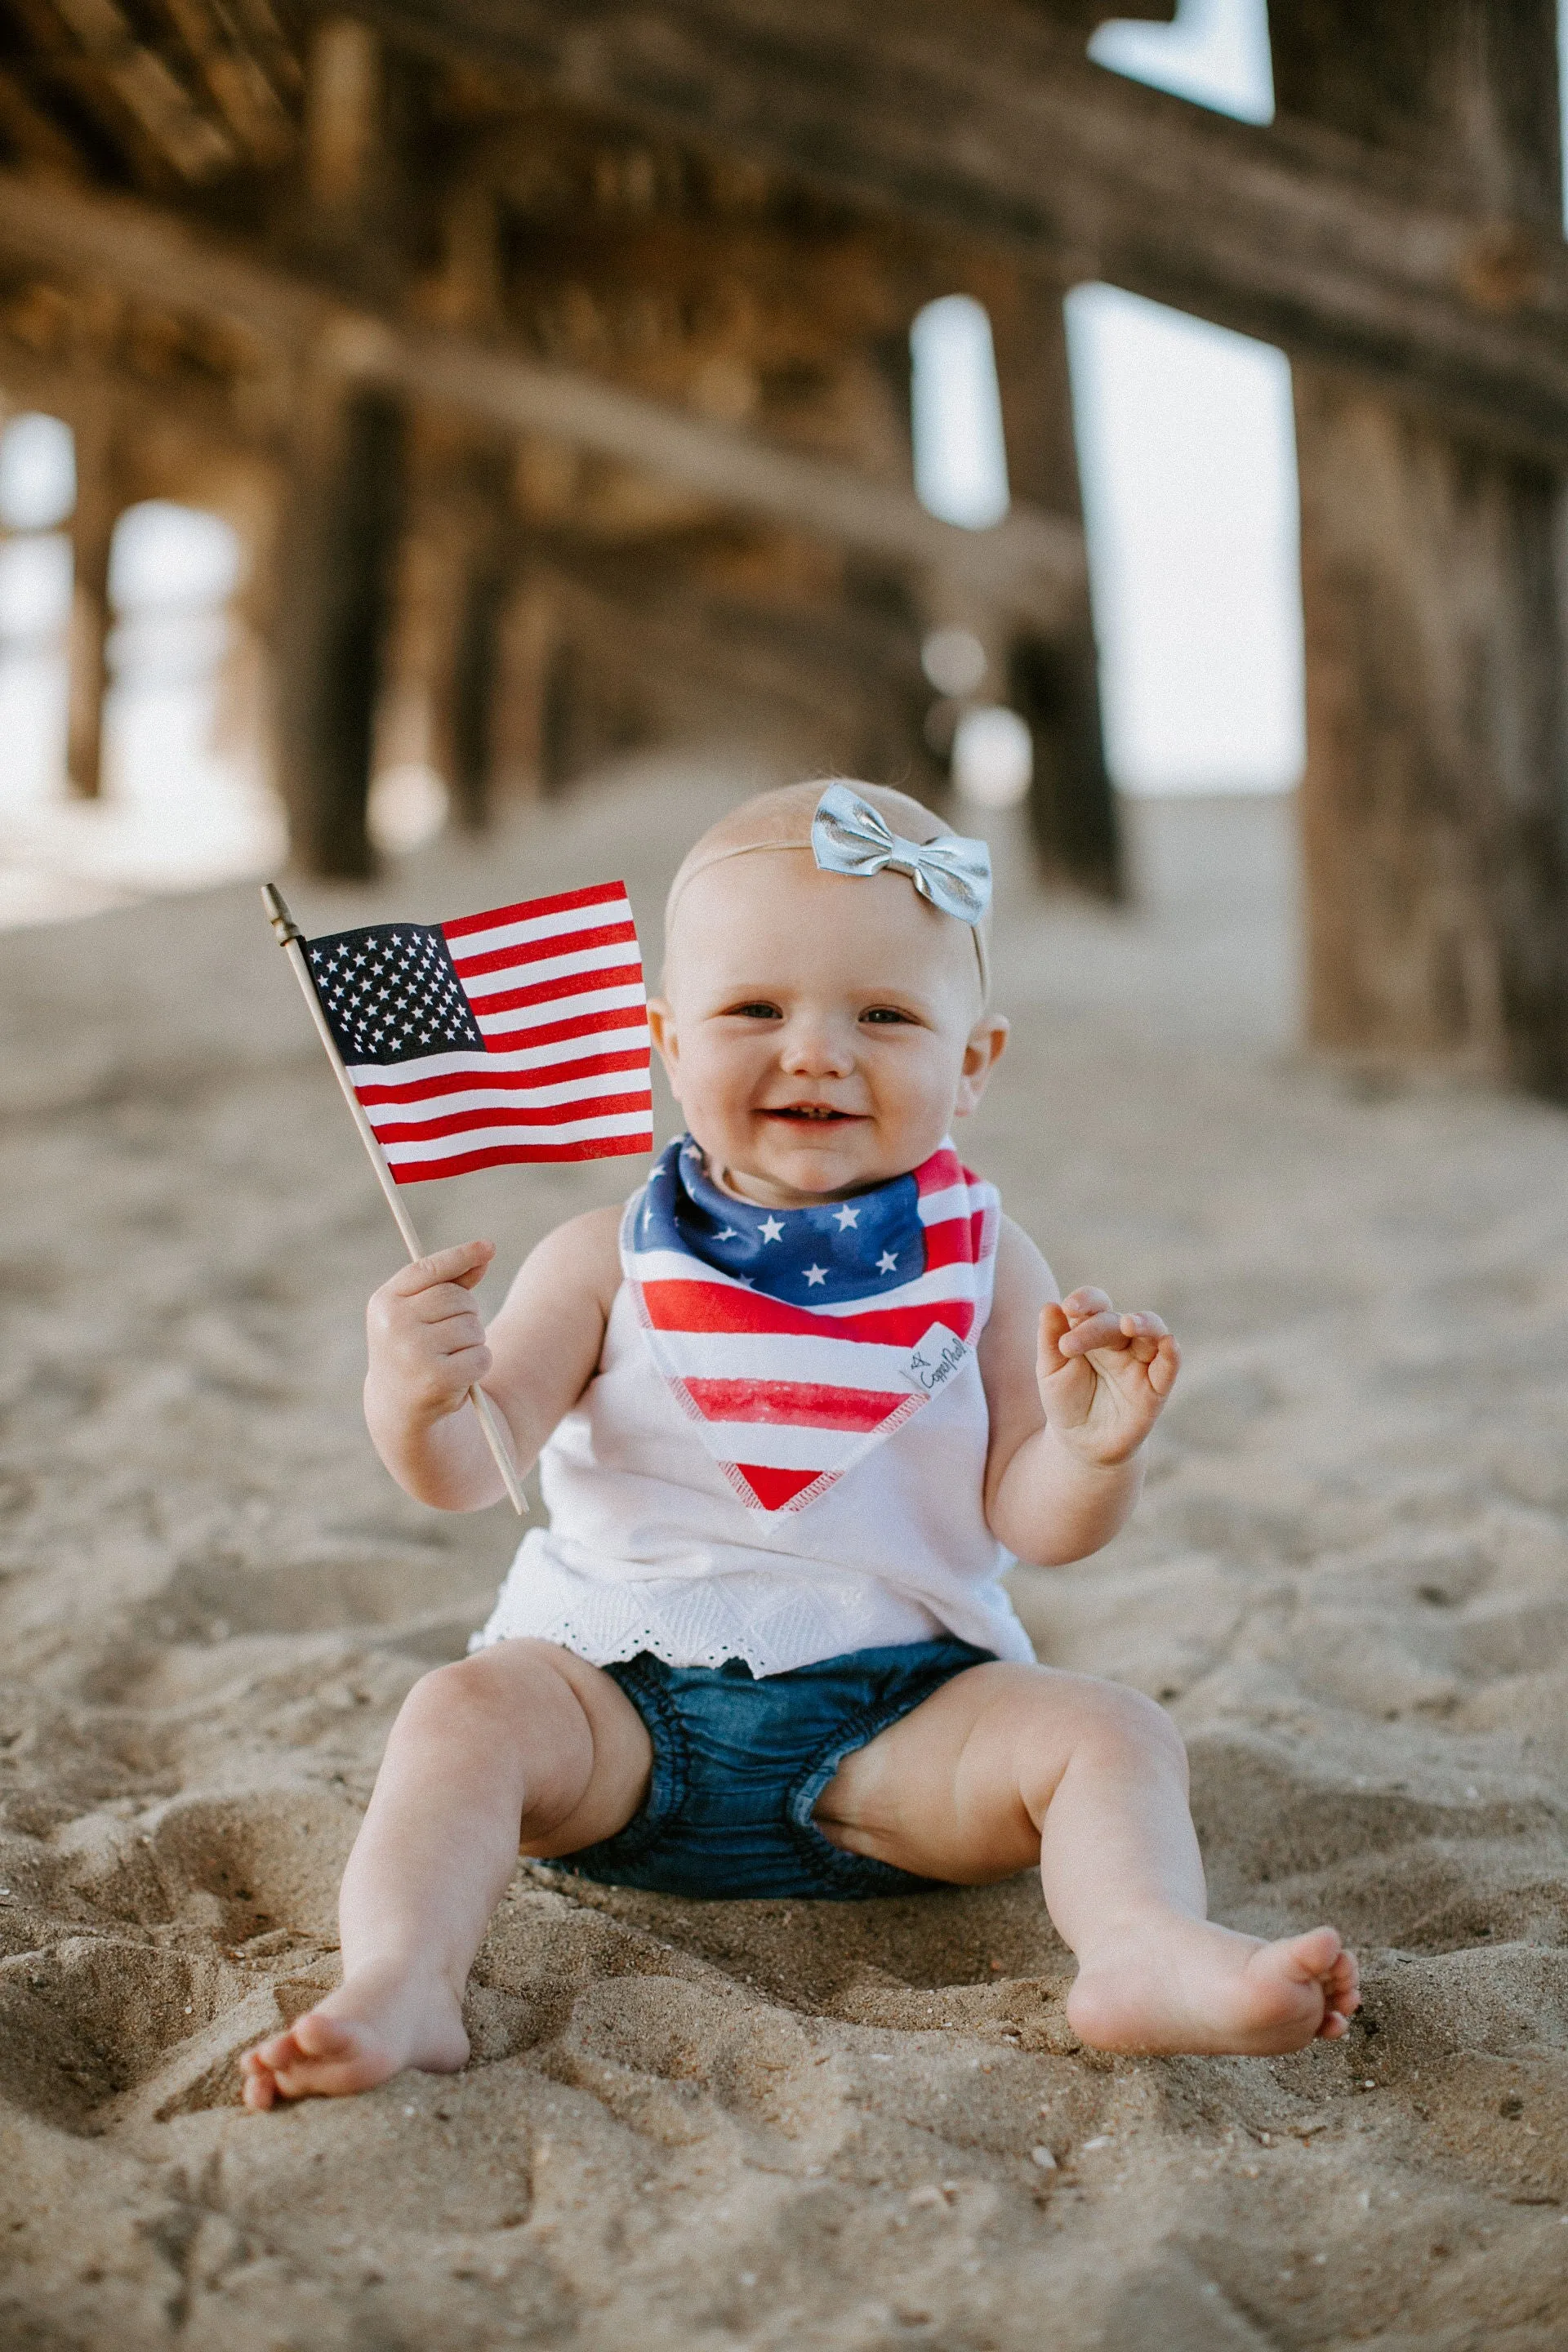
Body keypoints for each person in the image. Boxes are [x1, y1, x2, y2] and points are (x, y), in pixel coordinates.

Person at [241, 780, 1357, 2109]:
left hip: (898, 1732)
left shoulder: (988, 1266)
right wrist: (413, 1398)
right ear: (664, 1039)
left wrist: (1091, 1452)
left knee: (1108, 1732)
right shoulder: (605, 1256)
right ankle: (405, 1979)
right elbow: (470, 1472)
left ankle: (1139, 1950)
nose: (819, 1051)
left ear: (976, 1060)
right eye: (755, 1010)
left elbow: (1034, 1519)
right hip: (613, 1711)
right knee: (461, 1712)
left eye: (885, 1015)